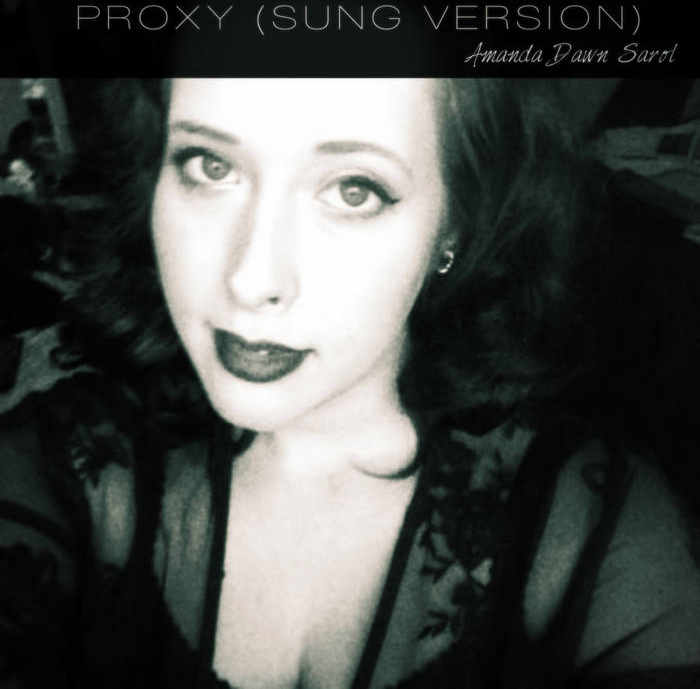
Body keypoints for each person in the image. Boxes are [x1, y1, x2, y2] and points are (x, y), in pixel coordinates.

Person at [1, 78, 699, 689]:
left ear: (455, 223)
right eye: (211, 166)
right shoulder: (64, 470)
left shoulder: (599, 535)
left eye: (353, 190)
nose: (252, 279)